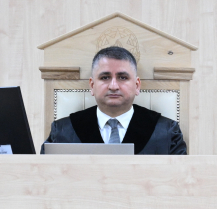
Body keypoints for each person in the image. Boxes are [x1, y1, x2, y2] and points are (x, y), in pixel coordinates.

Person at [43, 46, 187, 155]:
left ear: (137, 85)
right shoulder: (62, 132)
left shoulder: (167, 132)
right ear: (92, 85)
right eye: (105, 77)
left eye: (122, 77)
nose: (113, 86)